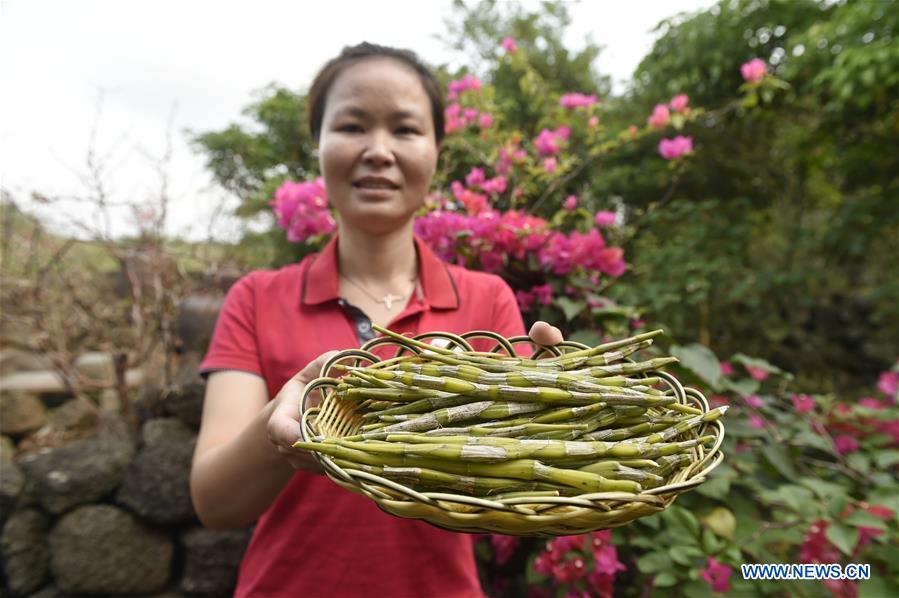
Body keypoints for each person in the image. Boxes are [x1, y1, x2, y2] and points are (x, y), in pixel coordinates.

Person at [190, 42, 563, 598]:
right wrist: (289, 426)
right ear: (317, 144)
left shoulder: (488, 300)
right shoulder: (256, 298)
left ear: (438, 150)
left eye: (406, 129)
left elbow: (511, 494)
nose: (379, 151)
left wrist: (554, 412)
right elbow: (214, 502)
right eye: (352, 125)